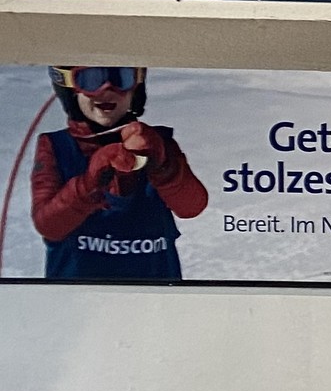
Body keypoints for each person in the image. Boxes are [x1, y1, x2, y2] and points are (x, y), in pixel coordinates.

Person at [29, 67, 207, 280]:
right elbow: (48, 225)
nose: (107, 90)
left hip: (154, 293)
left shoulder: (157, 143)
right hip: (80, 294)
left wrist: (163, 166)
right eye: (91, 79)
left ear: (136, 90)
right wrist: (88, 185)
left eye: (121, 78)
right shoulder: (56, 147)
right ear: (70, 90)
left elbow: (192, 207)